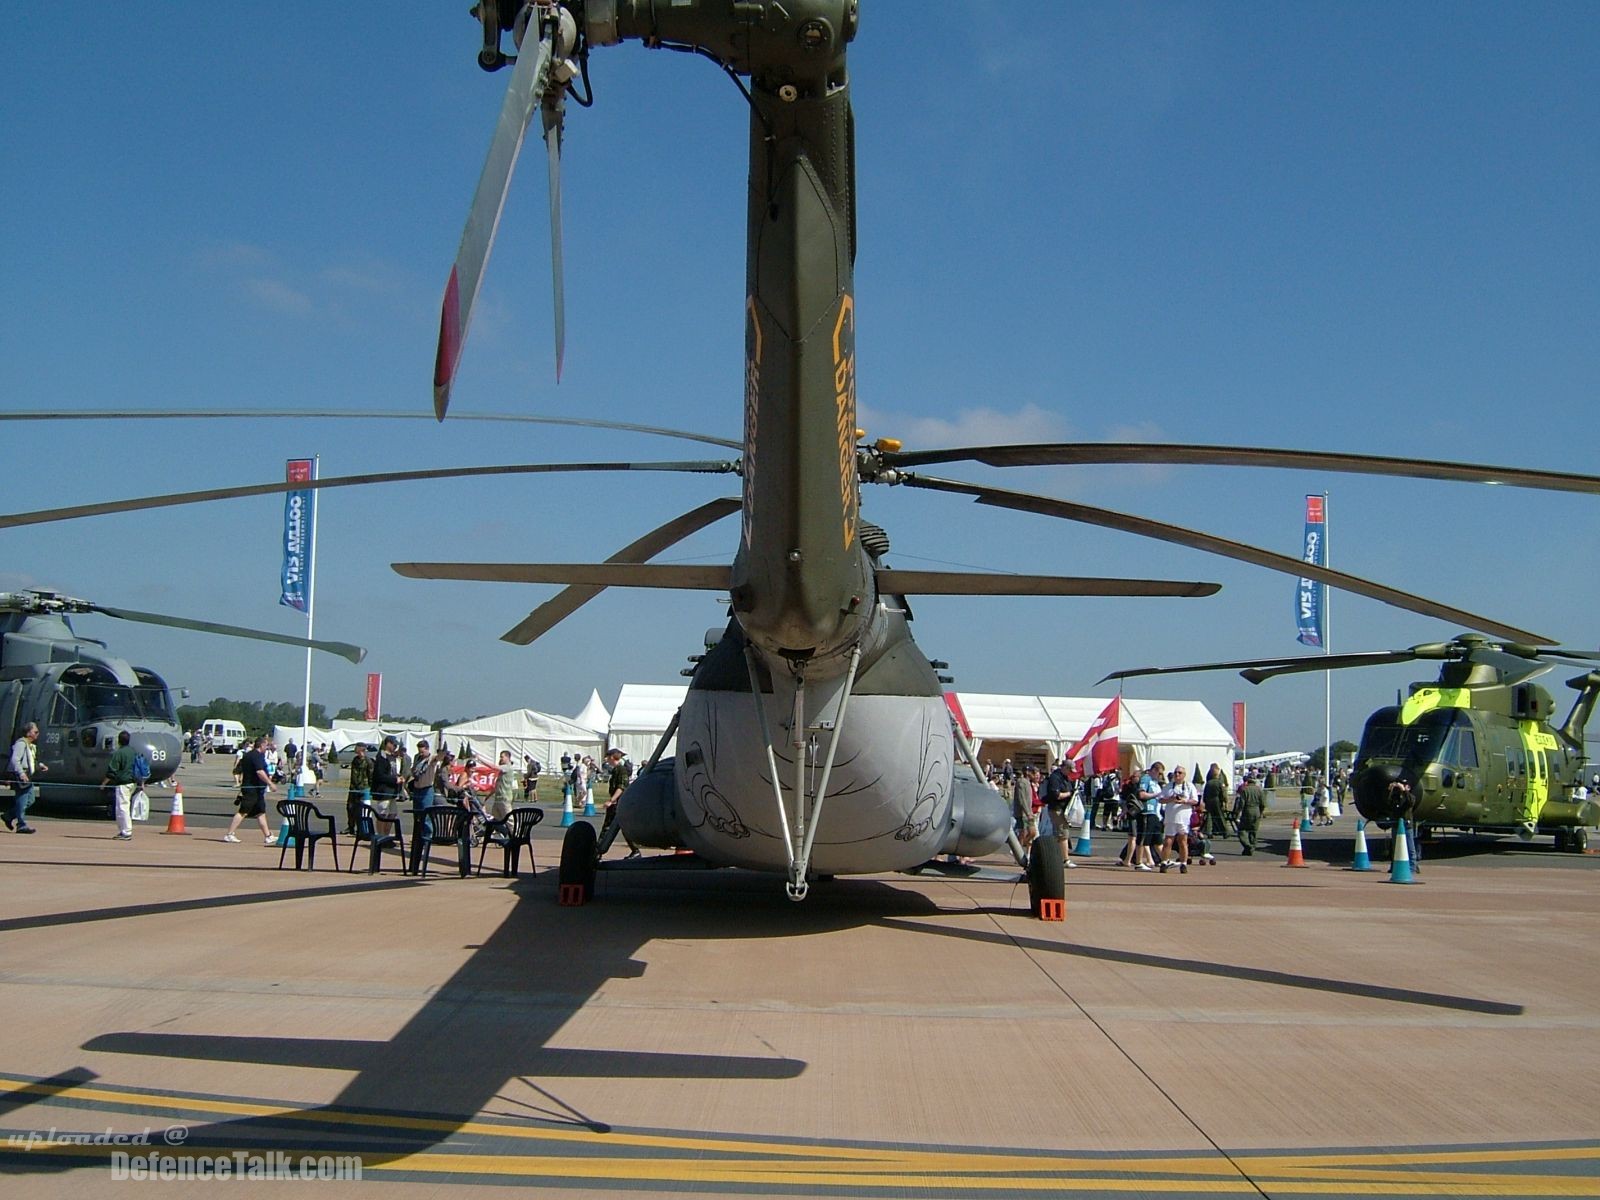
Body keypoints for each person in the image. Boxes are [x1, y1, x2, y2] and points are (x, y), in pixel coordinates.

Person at [222, 735, 275, 845]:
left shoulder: (248, 755)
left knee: (260, 812)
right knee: (243, 811)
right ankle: (229, 834)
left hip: (257, 790)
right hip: (252, 789)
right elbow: (260, 772)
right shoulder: (256, 756)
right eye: (266, 745)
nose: (267, 748)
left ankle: (268, 836)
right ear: (261, 745)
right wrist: (270, 783)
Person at [597, 747, 641, 858]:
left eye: (608, 757)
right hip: (619, 803)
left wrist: (611, 801)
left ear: (612, 757)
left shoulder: (621, 770)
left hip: (618, 803)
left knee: (607, 828)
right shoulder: (617, 770)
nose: (606, 759)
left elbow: (621, 787)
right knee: (623, 827)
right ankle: (635, 850)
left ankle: (597, 851)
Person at [7, 721, 47, 834]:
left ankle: (8, 816)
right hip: (22, 775)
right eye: (36, 732)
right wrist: (21, 773)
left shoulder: (30, 746)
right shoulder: (21, 744)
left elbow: (31, 760)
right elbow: (15, 760)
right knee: (22, 799)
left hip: (28, 775)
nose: (37, 734)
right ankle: (21, 824)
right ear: (29, 733)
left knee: (31, 799)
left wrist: (40, 766)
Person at [1158, 765, 1198, 873]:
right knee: (1168, 841)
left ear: (1184, 775)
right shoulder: (1169, 786)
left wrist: (1184, 801)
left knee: (1183, 841)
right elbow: (1160, 799)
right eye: (1176, 772)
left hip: (1183, 818)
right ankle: (1164, 862)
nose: (1177, 774)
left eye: (1180, 773)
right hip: (1170, 818)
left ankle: (1183, 863)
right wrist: (1170, 799)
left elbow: (1195, 801)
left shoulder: (1189, 786)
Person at [101, 729, 139, 840]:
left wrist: (103, 783)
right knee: (125, 806)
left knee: (122, 808)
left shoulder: (119, 753)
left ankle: (126, 832)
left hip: (123, 783)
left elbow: (112, 770)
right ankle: (124, 830)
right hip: (133, 782)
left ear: (119, 740)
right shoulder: (133, 751)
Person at [1234, 772, 1266, 856]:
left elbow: (1241, 804)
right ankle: (1252, 847)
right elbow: (1263, 804)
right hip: (1256, 811)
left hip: (1247, 811)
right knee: (1253, 831)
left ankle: (1247, 845)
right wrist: (1261, 812)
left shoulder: (1245, 790)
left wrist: (1237, 813)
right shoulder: (1259, 790)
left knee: (1242, 830)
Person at [344, 742, 373, 833]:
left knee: (364, 809)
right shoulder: (355, 760)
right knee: (350, 807)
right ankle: (351, 827)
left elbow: (371, 776)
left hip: (364, 787)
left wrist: (371, 789)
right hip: (353, 788)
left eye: (357, 748)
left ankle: (363, 829)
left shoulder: (368, 761)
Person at [1011, 769, 1036, 850]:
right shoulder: (1021, 782)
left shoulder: (1029, 783)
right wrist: (1027, 812)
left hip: (1028, 812)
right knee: (1023, 832)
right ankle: (1018, 850)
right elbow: (1022, 799)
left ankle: (1022, 848)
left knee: (1032, 832)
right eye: (1034, 773)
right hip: (1022, 813)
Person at [1202, 763, 1230, 837]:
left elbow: (1205, 793)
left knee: (1210, 817)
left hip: (1209, 801)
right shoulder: (1219, 783)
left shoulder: (1208, 783)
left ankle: (1209, 832)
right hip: (1217, 801)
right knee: (1220, 816)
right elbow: (1223, 794)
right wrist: (1225, 801)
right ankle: (1225, 832)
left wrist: (1205, 801)